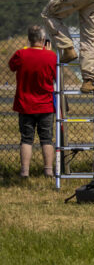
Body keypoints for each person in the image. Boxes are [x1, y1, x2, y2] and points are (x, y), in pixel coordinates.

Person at [8, 25, 56, 178]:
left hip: (25, 104)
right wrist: (48, 53)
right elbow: (56, 75)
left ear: (29, 39)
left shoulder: (21, 54)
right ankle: (48, 170)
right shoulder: (51, 56)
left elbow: (11, 66)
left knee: (26, 139)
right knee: (47, 139)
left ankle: (24, 171)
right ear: (43, 40)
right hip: (46, 105)